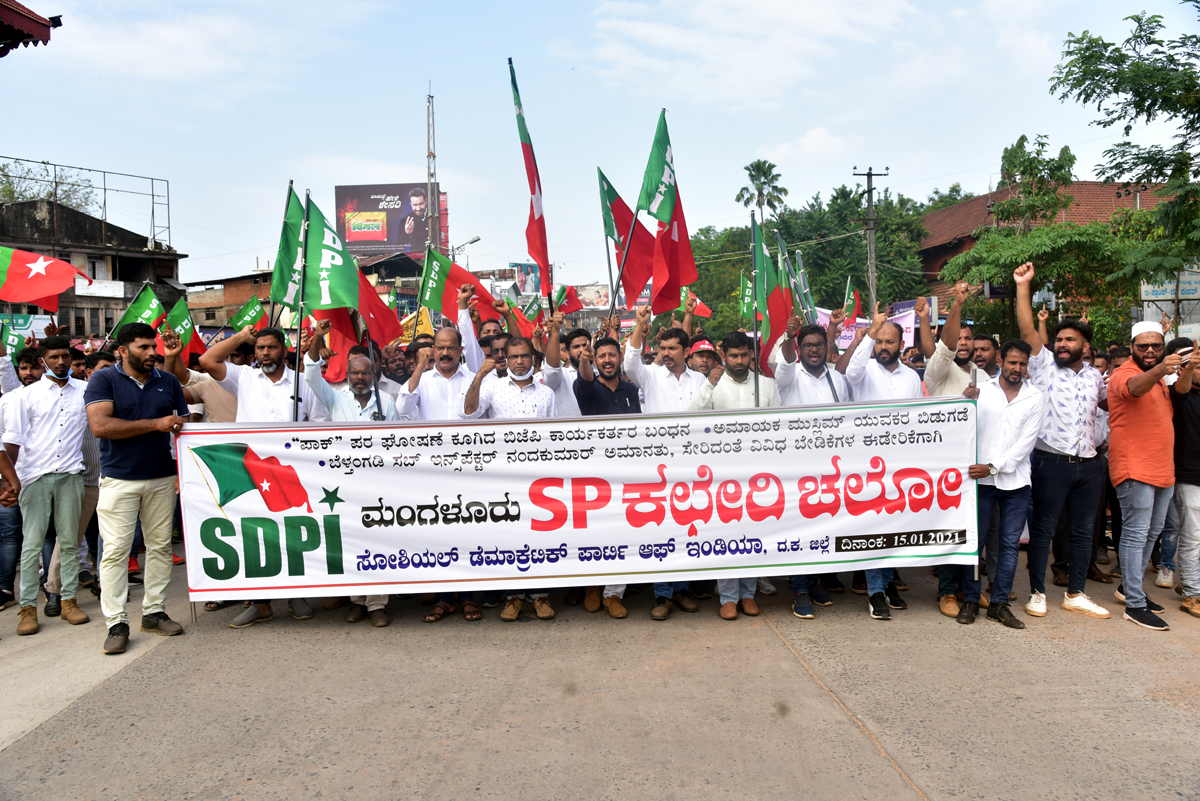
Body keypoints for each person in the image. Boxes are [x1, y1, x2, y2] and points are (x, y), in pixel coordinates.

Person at [200, 325, 328, 628]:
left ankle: (297, 595)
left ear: (284, 349)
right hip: (251, 471)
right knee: (254, 536)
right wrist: (241, 337)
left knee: (291, 534)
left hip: (291, 472)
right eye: (260, 348)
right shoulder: (243, 377)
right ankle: (260, 603)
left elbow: (320, 424)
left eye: (271, 347)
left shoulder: (304, 383)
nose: (265, 353)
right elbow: (207, 361)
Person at [85, 323, 190, 655]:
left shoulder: (168, 381)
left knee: (159, 547)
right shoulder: (104, 379)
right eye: (143, 347)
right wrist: (156, 424)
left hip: (162, 477)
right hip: (119, 479)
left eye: (152, 347)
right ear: (122, 351)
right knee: (116, 551)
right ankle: (116, 622)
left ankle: (154, 612)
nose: (151, 353)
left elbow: (185, 425)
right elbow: (100, 425)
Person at [1014, 262, 1111, 620]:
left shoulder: (1095, 377)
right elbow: (1027, 328)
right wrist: (1023, 286)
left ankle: (1076, 593)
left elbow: (1109, 406)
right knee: (1043, 530)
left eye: (1070, 340)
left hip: (1089, 466)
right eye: (1059, 340)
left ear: (1085, 345)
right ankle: (1037, 593)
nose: (1062, 344)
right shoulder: (1043, 367)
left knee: (1084, 533)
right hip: (1050, 464)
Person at [461, 337, 557, 622]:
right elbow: (468, 414)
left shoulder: (546, 393)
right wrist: (479, 375)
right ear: (506, 359)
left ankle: (540, 595)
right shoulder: (493, 387)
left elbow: (554, 436)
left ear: (533, 359)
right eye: (513, 356)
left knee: (540, 537)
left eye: (524, 356)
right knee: (509, 538)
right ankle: (513, 596)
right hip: (503, 479)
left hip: (538, 478)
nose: (519, 361)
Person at [688, 330, 779, 620]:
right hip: (722, 476)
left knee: (752, 536)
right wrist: (709, 385)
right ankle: (728, 597)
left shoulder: (766, 386)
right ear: (723, 356)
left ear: (751, 355)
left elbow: (779, 426)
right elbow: (690, 418)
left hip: (758, 476)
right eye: (733, 356)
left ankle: (748, 594)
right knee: (726, 537)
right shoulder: (712, 385)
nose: (739, 361)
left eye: (743, 355)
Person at [842, 302, 922, 620]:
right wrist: (870, 333)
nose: (883, 347)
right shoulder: (864, 372)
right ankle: (875, 591)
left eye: (890, 341)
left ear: (901, 344)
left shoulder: (912, 377)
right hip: (868, 467)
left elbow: (917, 421)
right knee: (873, 529)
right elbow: (851, 371)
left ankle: (888, 583)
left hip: (901, 467)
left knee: (895, 528)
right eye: (879, 341)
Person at [6, 336, 91, 635]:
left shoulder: (85, 391)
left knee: (69, 542)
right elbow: (12, 440)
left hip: (71, 474)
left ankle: (68, 601)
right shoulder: (25, 396)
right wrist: (7, 482)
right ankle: (27, 608)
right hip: (34, 477)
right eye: (54, 357)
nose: (61, 361)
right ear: (43, 361)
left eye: (65, 356)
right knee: (31, 545)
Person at [964, 340, 1046, 628]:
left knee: (1010, 545)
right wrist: (966, 402)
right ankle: (970, 600)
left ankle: (999, 604)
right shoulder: (981, 391)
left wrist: (993, 467)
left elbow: (1026, 444)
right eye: (1012, 362)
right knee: (975, 543)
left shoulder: (1035, 397)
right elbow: (964, 428)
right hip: (980, 482)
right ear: (1000, 360)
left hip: (1016, 483)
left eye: (1022, 364)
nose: (1017, 369)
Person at [1107, 321, 1181, 631]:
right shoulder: (1124, 373)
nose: (1150, 350)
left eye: (1156, 346)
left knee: (1152, 533)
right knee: (1136, 534)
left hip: (1162, 468)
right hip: (1134, 467)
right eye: (1143, 346)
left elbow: (1183, 390)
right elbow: (1135, 388)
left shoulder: (1160, 377)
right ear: (1132, 347)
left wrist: (1188, 368)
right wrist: (1162, 368)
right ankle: (1135, 605)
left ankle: (1130, 588)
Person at [775, 314, 852, 611]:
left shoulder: (837, 379)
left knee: (821, 529)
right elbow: (785, 359)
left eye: (819, 344)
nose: (814, 350)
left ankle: (812, 582)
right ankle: (799, 590)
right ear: (800, 349)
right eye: (808, 345)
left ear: (827, 347)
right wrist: (788, 336)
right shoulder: (790, 375)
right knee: (799, 529)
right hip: (797, 468)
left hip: (830, 470)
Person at [0, 347, 44, 610]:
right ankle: (6, 589)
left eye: (34, 367)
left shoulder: (56, 396)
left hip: (38, 476)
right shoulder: (11, 397)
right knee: (9, 535)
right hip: (10, 478)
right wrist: (7, 479)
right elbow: (6, 443)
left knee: (42, 536)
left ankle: (52, 589)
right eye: (23, 368)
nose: (28, 373)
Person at [1168, 337, 1200, 620]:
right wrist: (1188, 370)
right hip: (1189, 476)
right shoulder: (1176, 395)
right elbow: (1180, 391)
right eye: (1194, 365)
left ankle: (1191, 583)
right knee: (1193, 537)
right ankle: (1192, 594)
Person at [397, 327, 475, 422]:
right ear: (433, 350)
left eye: (451, 348)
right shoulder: (421, 380)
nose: (445, 353)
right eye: (440, 348)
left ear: (460, 350)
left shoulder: (473, 380)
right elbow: (402, 409)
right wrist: (421, 365)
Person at [395, 187, 429, 253]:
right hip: (416, 258)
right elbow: (398, 248)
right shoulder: (405, 220)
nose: (418, 208)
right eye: (415, 205)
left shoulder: (435, 216)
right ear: (410, 204)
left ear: (426, 201)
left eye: (421, 204)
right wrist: (407, 234)